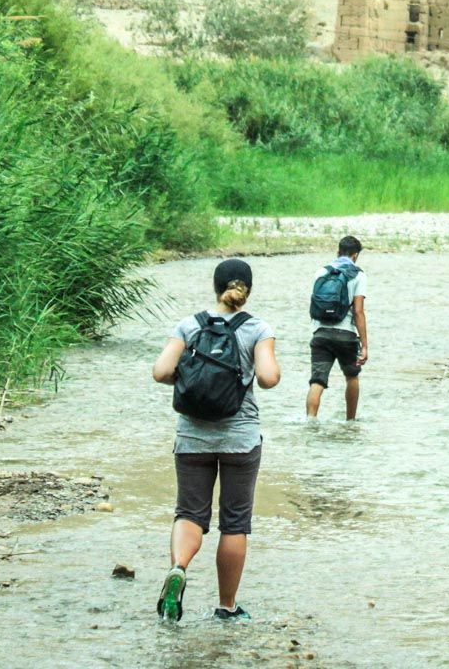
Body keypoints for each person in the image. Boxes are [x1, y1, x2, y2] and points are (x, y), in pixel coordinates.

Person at [151, 258, 280, 624]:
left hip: (192, 436)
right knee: (235, 523)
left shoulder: (189, 325)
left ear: (215, 287)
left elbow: (160, 371)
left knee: (189, 513)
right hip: (240, 438)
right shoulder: (257, 328)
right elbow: (269, 378)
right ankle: (226, 606)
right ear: (248, 289)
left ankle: (179, 568)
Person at [306, 235, 368, 420]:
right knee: (352, 376)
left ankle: (310, 421)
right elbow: (358, 312)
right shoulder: (358, 275)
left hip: (321, 334)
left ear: (338, 252)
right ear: (355, 255)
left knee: (317, 381)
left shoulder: (321, 272)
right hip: (346, 336)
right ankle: (350, 421)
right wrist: (364, 345)